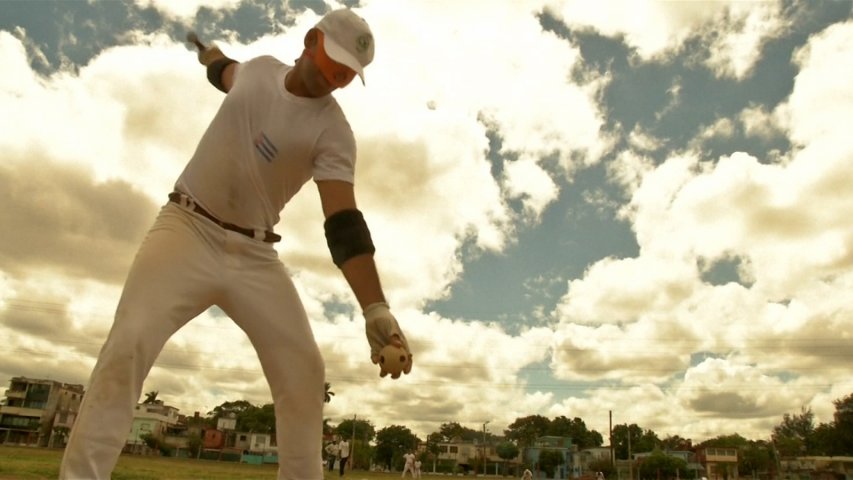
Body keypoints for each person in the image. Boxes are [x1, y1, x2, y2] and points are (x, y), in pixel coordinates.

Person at [58, 8, 412, 480]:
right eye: (336, 61)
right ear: (311, 40)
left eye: (350, 72)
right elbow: (225, 73)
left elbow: (343, 222)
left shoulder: (334, 133)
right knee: (128, 341)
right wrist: (211, 53)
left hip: (255, 256)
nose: (340, 77)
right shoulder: (261, 71)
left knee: (304, 371)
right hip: (186, 228)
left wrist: (375, 308)